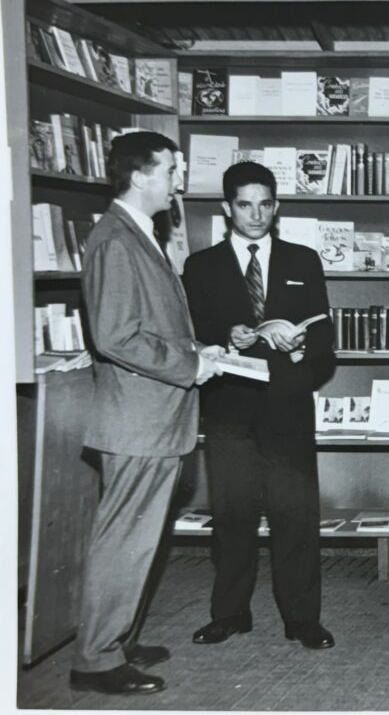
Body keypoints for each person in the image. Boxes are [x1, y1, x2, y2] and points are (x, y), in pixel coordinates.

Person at [72, 131, 225, 696]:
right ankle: (96, 660)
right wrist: (189, 366)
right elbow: (116, 337)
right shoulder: (116, 240)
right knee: (123, 541)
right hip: (138, 420)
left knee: (138, 540)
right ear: (140, 177)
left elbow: (150, 326)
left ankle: (117, 640)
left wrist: (199, 352)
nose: (177, 181)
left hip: (153, 418)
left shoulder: (138, 233)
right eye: (170, 170)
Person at [182, 161, 336, 651]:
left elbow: (324, 337)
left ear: (277, 206)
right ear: (227, 208)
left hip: (287, 405)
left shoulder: (303, 260)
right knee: (232, 515)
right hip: (228, 406)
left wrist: (299, 349)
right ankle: (229, 614)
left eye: (265, 204)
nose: (256, 215)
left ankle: (302, 618)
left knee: (296, 515)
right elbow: (190, 333)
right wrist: (227, 336)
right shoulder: (201, 266)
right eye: (245, 205)